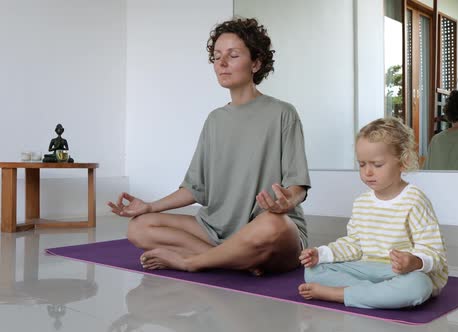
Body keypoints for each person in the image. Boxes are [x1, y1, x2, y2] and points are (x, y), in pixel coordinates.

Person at [108, 18, 311, 275]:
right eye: (216, 57)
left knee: (273, 226)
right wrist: (149, 206)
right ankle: (237, 258)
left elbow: (298, 186)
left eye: (233, 55)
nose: (222, 63)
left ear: (256, 63)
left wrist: (285, 203)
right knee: (139, 227)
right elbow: (195, 189)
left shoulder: (282, 113)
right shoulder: (215, 120)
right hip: (216, 228)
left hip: (265, 227)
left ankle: (192, 261)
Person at [298, 118, 447, 309]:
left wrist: (414, 261)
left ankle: (341, 294)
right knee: (313, 270)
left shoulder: (415, 201)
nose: (367, 172)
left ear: (403, 162)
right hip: (368, 268)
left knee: (417, 286)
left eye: (377, 165)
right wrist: (322, 254)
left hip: (403, 273)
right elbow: (355, 244)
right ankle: (378, 294)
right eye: (362, 164)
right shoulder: (362, 203)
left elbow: (434, 252)